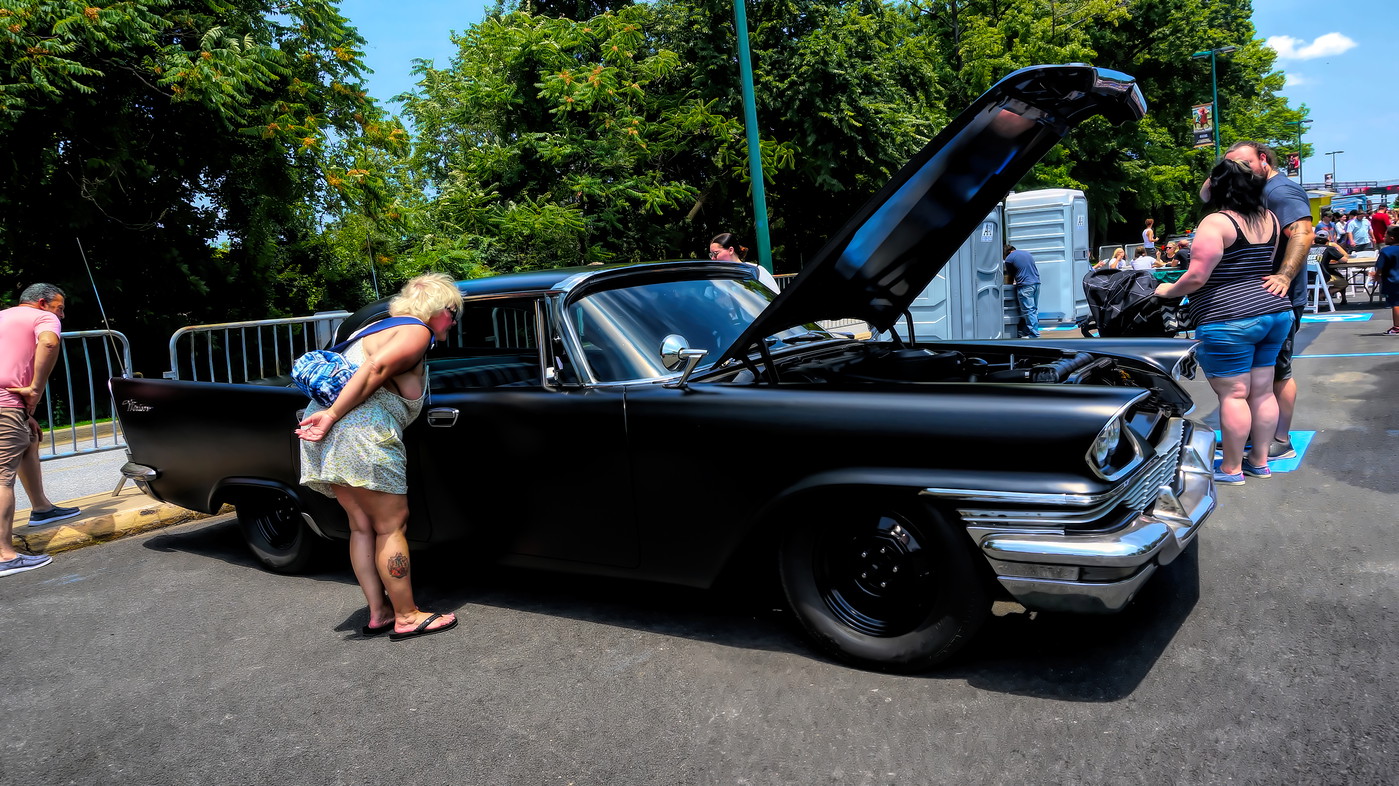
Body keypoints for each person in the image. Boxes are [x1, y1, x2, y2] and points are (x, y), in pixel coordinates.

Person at [296, 273, 463, 640]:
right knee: (391, 526)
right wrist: (333, 416)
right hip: (360, 435)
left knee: (362, 526)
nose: (453, 320)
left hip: (326, 435)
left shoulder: (375, 330)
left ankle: (379, 612)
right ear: (437, 309)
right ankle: (406, 615)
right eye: (453, 312)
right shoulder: (417, 331)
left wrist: (326, 418)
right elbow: (377, 369)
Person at [1159, 159, 1293, 485]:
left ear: (1217, 186)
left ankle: (1231, 468)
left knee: (1233, 395)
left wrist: (1166, 290)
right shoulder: (1270, 218)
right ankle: (1259, 462)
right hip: (1275, 311)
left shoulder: (1215, 223)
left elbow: (1196, 277)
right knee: (1261, 393)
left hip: (1229, 318)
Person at [1217, 140, 1314, 461]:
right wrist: (1223, 172)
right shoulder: (1253, 190)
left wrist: (1285, 276)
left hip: (1278, 298)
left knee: (1277, 372)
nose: (1238, 171)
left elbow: (1302, 233)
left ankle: (1279, 437)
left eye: (1243, 164)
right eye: (1232, 166)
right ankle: (1255, 434)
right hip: (1257, 302)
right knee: (1257, 374)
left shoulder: (1281, 192)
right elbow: (1207, 194)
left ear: (1263, 159)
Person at [0, 284, 66, 578]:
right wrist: (35, 390)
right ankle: (4, 555)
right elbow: (50, 343)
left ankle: (41, 507)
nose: (62, 314)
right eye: (60, 307)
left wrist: (25, 414)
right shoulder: (42, 318)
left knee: (29, 438)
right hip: (5, 401)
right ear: (42, 303)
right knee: (2, 478)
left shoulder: (3, 316)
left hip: (9, 404)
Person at [709, 233, 779, 292]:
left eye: (715, 253)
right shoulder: (717, 277)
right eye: (711, 254)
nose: (712, 258)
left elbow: (775, 297)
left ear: (730, 250)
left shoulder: (756, 271)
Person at [1003, 244, 1040, 338]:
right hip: (1036, 284)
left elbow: (1010, 277)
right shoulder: (1027, 253)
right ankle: (1028, 331)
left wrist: (1008, 287)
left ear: (1005, 253)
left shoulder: (1009, 259)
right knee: (1034, 310)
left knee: (1029, 311)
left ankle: (1034, 335)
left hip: (1025, 287)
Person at [1307, 230, 1350, 301]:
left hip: (1306, 278)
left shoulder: (1307, 248)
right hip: (1321, 278)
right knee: (1343, 283)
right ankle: (1322, 295)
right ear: (1328, 240)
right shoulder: (1329, 248)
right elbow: (1344, 260)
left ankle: (1315, 295)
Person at [1373, 225, 1399, 335]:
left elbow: (1380, 267)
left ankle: (1397, 327)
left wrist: (1376, 275)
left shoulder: (1386, 251)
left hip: (1393, 281)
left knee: (1396, 304)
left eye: (1385, 236)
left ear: (1392, 238)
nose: (1384, 238)